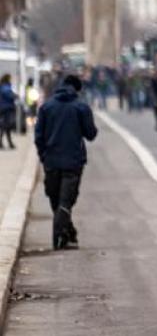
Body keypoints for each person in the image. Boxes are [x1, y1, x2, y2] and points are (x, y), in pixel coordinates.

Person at [34, 74, 98, 250]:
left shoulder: (46, 107)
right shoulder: (81, 107)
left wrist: (44, 156)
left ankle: (67, 235)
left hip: (51, 162)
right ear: (77, 89)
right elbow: (91, 134)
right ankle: (60, 237)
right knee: (66, 201)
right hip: (73, 162)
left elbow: (38, 136)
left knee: (56, 200)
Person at [0, 75, 17, 149]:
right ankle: (7, 143)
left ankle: (9, 143)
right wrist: (14, 95)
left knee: (6, 126)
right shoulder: (5, 87)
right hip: (6, 109)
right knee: (6, 126)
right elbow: (8, 95)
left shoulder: (5, 86)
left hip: (6, 108)